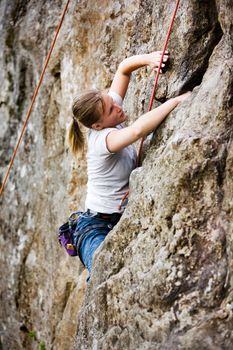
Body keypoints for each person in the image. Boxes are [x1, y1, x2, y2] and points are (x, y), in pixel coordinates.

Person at [67, 51, 191, 280]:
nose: (117, 105)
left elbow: (124, 68)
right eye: (110, 109)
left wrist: (151, 59)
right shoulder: (102, 140)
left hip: (116, 218)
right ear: (97, 125)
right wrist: (175, 102)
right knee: (104, 272)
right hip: (95, 226)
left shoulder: (109, 112)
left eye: (111, 100)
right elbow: (137, 131)